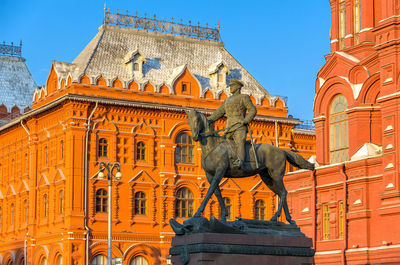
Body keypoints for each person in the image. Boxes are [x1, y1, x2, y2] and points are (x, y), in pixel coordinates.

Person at [208, 79, 257, 171]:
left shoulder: (244, 97)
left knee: (239, 142)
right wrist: (208, 120)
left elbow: (252, 110)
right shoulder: (227, 100)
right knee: (224, 145)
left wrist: (246, 120)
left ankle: (241, 162)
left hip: (239, 126)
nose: (230, 87)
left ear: (238, 87)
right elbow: (219, 112)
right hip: (229, 128)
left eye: (232, 86)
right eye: (230, 86)